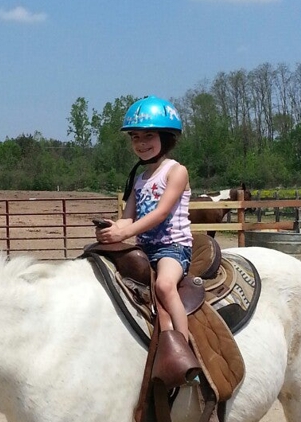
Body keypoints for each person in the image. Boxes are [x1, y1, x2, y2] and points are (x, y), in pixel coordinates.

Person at [95, 95, 193, 343]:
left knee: (164, 286)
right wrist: (111, 228)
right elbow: (128, 218)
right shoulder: (140, 180)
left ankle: (184, 346)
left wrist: (123, 234)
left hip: (173, 248)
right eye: (135, 137)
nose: (141, 143)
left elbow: (160, 214)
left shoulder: (176, 171)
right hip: (146, 248)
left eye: (148, 136)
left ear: (166, 137)